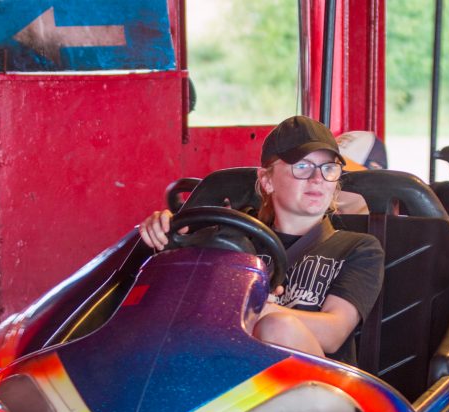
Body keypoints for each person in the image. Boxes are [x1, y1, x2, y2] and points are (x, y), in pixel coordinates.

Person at [138, 115, 384, 366]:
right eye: (302, 166)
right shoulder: (230, 239)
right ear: (266, 180)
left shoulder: (360, 248)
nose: (317, 178)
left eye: (328, 168)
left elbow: (333, 333)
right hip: (235, 382)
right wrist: (162, 230)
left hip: (320, 395)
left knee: (278, 328)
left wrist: (251, 307)